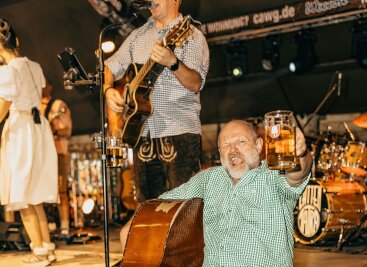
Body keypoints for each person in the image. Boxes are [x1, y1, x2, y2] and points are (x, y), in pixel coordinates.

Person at [121, 120, 312, 267]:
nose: (233, 150)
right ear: (220, 154)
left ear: (259, 145)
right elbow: (164, 201)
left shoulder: (273, 175)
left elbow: (297, 174)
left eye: (241, 142)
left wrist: (301, 154)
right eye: (226, 146)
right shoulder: (209, 178)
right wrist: (133, 228)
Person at [104, 0, 210, 202]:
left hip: (179, 131)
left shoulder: (192, 36)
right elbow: (109, 67)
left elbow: (195, 83)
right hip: (142, 132)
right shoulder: (137, 36)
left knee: (184, 208)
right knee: (146, 210)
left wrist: (174, 63)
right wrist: (108, 90)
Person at [0, 19, 58, 266]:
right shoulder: (33, 66)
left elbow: (3, 106)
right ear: (17, 41)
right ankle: (47, 247)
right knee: (35, 194)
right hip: (39, 128)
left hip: (21, 129)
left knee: (21, 191)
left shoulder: (7, 71)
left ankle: (39, 253)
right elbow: (42, 90)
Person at [41, 78, 73, 236]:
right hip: (41, 154)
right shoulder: (35, 105)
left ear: (50, 86)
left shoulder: (58, 105)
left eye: (44, 83)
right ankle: (46, 226)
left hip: (58, 152)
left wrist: (51, 130)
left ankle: (65, 226)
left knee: (61, 190)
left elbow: (67, 131)